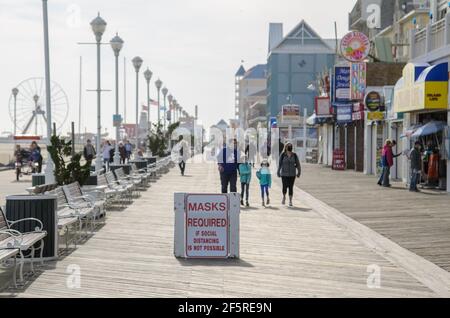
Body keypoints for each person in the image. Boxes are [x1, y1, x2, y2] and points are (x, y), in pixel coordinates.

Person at [277, 142, 301, 207]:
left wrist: (299, 172)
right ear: (286, 147)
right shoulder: (282, 155)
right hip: (284, 174)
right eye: (288, 146)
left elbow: (298, 164)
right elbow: (279, 164)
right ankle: (284, 196)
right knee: (284, 186)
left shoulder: (294, 155)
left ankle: (290, 201)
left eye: (291, 146)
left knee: (291, 187)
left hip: (292, 174)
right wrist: (278, 172)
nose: (290, 147)